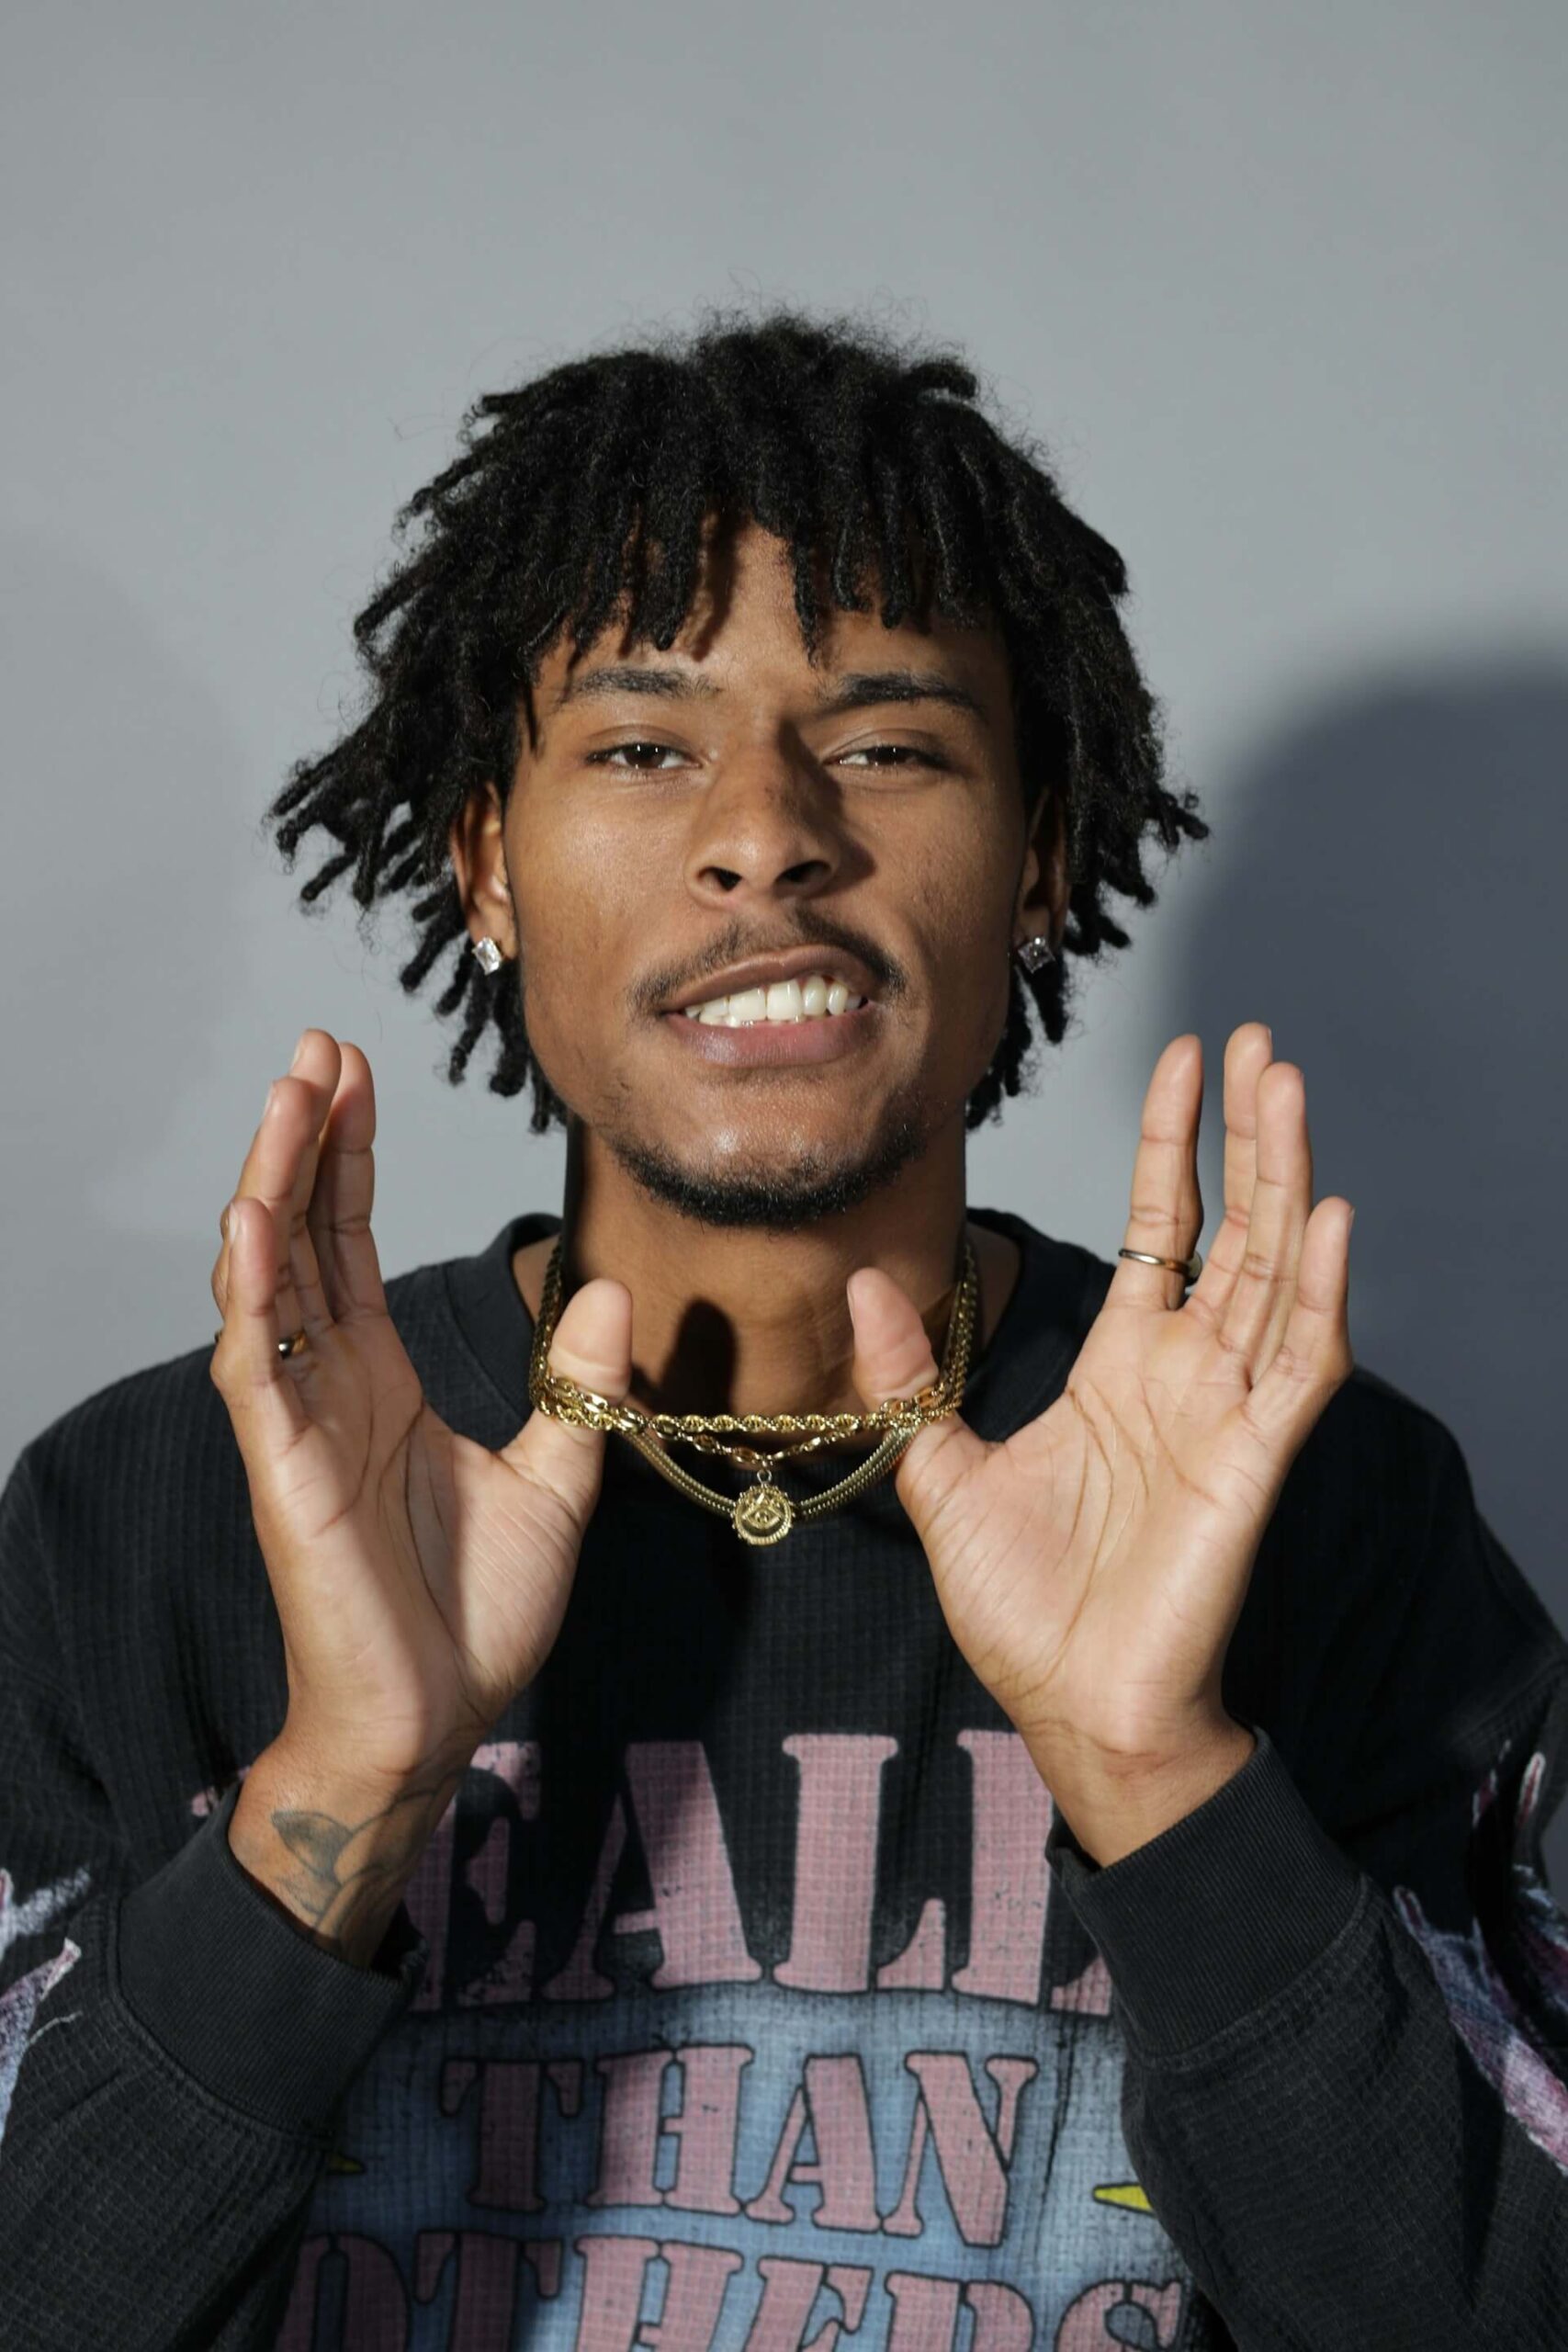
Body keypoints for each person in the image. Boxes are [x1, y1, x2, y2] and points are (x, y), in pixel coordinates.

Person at [3, 305, 1566, 2352]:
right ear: (485, 860)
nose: (767, 832)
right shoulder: (159, 1510)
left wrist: (1159, 1777)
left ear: (1038, 857)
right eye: (641, 747)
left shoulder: (1323, 1505)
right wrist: (342, 1795)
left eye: (888, 742)